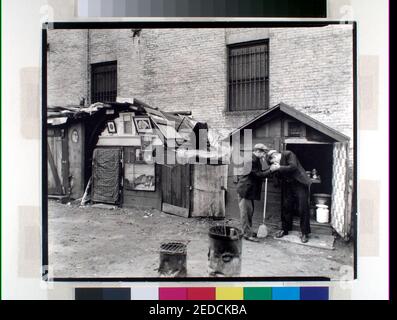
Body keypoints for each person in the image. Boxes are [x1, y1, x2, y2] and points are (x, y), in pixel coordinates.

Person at [267, 149, 312, 243]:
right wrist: (273, 172)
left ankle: (305, 233)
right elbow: (277, 179)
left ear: (275, 156)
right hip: (288, 185)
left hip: (300, 183)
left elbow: (293, 167)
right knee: (286, 207)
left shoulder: (288, 154)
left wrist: (279, 168)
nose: (275, 163)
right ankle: (285, 229)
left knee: (302, 207)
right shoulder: (278, 165)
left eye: (274, 161)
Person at [236, 143, 271, 242]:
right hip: (245, 190)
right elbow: (258, 174)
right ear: (258, 151)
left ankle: (248, 231)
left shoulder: (256, 160)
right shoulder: (251, 161)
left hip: (249, 190)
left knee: (249, 212)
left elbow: (259, 173)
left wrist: (269, 170)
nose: (264, 155)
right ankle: (247, 234)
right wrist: (271, 170)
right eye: (264, 153)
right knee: (245, 213)